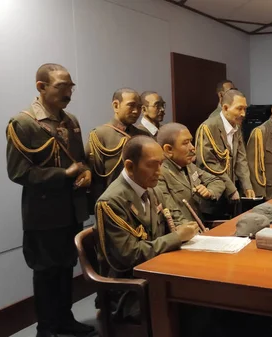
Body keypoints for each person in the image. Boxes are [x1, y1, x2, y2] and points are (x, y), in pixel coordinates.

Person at [6, 63, 95, 337]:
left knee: (66, 267)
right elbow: (18, 172)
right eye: (61, 87)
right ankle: (47, 328)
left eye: (70, 87)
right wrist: (63, 174)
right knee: (45, 273)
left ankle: (65, 321)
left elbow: (80, 160)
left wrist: (87, 173)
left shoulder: (72, 121)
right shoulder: (23, 123)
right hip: (43, 214)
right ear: (41, 87)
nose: (68, 92)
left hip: (70, 210)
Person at [95, 136, 198, 322]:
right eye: (152, 165)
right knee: (197, 309)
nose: (159, 172)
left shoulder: (151, 189)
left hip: (158, 273)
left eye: (161, 164)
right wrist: (177, 237)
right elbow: (129, 256)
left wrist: (186, 229)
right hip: (131, 287)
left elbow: (170, 222)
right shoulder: (111, 202)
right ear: (130, 166)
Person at [195, 89, 255, 218]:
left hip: (231, 195)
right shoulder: (208, 128)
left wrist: (247, 186)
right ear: (226, 108)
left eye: (245, 109)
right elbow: (209, 164)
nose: (243, 114)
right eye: (239, 109)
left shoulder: (237, 127)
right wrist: (231, 189)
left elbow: (241, 159)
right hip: (213, 194)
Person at [86, 88, 151, 205]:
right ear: (116, 106)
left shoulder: (143, 136)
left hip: (141, 200)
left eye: (139, 107)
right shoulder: (100, 135)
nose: (136, 111)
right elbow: (96, 178)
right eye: (131, 106)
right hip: (113, 201)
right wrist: (101, 205)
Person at [156, 123, 226, 224]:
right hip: (183, 232)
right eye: (185, 143)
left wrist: (209, 192)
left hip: (199, 226)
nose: (192, 147)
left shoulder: (188, 166)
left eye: (191, 142)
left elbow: (217, 181)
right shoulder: (159, 173)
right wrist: (192, 230)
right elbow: (172, 214)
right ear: (169, 149)